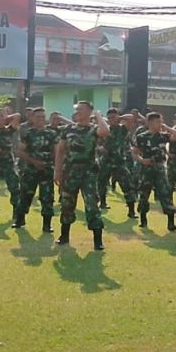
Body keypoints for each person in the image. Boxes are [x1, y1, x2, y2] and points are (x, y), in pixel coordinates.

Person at [54, 101, 109, 251]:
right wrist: (57, 171)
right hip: (70, 172)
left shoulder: (93, 129)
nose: (77, 112)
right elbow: (60, 150)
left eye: (81, 109)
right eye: (76, 109)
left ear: (89, 112)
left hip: (88, 173)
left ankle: (98, 240)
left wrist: (98, 116)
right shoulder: (68, 129)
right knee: (67, 203)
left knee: (92, 204)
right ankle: (64, 235)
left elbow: (105, 131)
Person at [132, 112, 176, 232]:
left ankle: (171, 222)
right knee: (144, 194)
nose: (160, 124)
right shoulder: (141, 137)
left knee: (165, 194)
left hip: (160, 169)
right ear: (150, 123)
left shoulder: (163, 136)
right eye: (158, 121)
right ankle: (143, 218)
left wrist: (167, 127)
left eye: (161, 121)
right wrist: (141, 160)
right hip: (146, 169)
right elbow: (134, 152)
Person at [13, 108, 60, 233]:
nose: (41, 119)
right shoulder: (27, 134)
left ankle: (47, 224)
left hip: (47, 170)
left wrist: (57, 169)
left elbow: (57, 152)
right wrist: (33, 161)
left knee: (47, 197)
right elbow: (19, 151)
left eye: (43, 117)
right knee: (25, 195)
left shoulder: (52, 134)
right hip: (30, 170)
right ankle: (20, 220)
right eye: (38, 117)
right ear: (32, 118)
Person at [97, 108, 136, 217]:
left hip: (119, 162)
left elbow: (131, 118)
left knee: (127, 185)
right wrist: (100, 148)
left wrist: (120, 118)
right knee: (101, 183)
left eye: (113, 117)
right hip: (106, 161)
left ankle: (131, 210)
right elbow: (97, 143)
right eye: (109, 118)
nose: (111, 120)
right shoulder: (105, 129)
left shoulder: (122, 129)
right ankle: (102, 203)